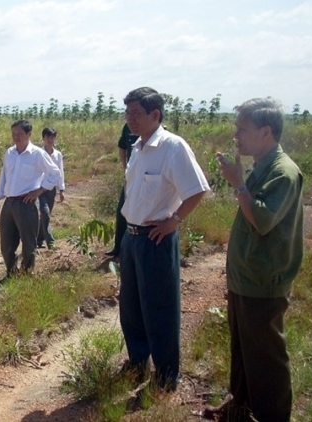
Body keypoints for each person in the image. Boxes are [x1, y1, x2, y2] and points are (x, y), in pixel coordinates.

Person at [210, 98, 303, 422]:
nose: (236, 134)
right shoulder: (263, 165)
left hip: (264, 281)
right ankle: (239, 405)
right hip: (246, 278)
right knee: (243, 350)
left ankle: (272, 416)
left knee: (265, 358)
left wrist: (238, 183)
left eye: (242, 128)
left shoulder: (284, 173)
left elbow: (261, 220)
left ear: (265, 132)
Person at [118, 87, 210, 391]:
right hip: (132, 238)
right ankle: (137, 362)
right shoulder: (138, 146)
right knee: (131, 307)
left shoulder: (173, 147)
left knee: (159, 308)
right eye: (127, 113)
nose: (130, 119)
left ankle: (166, 375)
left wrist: (175, 221)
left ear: (155, 115)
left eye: (136, 114)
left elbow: (196, 189)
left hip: (156, 238)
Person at [0, 120, 61, 278]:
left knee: (29, 243)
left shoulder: (37, 154)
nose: (16, 137)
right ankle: (11, 273)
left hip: (26, 204)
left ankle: (26, 274)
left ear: (29, 134)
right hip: (9, 203)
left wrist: (39, 190)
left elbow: (55, 173)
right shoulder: (10, 153)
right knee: (6, 243)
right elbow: (4, 177)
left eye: (20, 134)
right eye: (13, 134)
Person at [105, 123, 139, 258]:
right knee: (122, 212)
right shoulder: (127, 127)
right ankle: (118, 249)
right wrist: (126, 169)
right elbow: (122, 147)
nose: (132, 118)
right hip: (130, 180)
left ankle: (132, 251)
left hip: (146, 182)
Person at [37, 127, 65, 249]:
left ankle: (38, 240)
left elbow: (60, 172)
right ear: (43, 138)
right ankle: (51, 242)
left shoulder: (58, 155)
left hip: (52, 190)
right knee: (45, 213)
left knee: (45, 216)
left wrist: (61, 190)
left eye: (52, 137)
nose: (50, 139)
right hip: (40, 189)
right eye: (47, 137)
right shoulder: (38, 153)